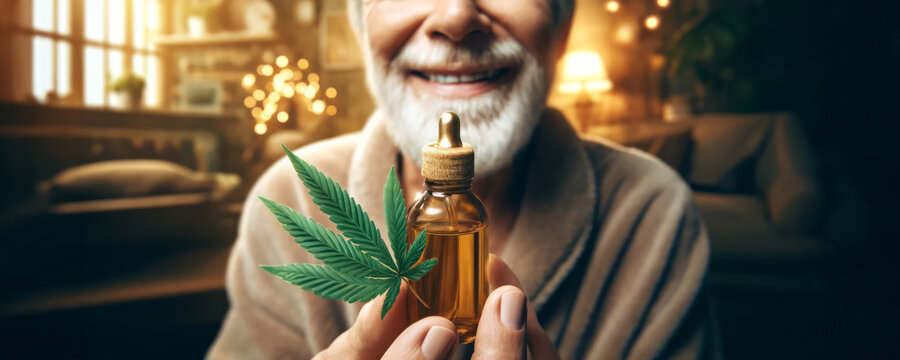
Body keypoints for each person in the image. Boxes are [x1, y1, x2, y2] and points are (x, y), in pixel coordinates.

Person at [209, 0, 712, 358]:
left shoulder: (653, 212)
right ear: (360, 24)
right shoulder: (289, 199)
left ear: (561, 25)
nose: (455, 17)